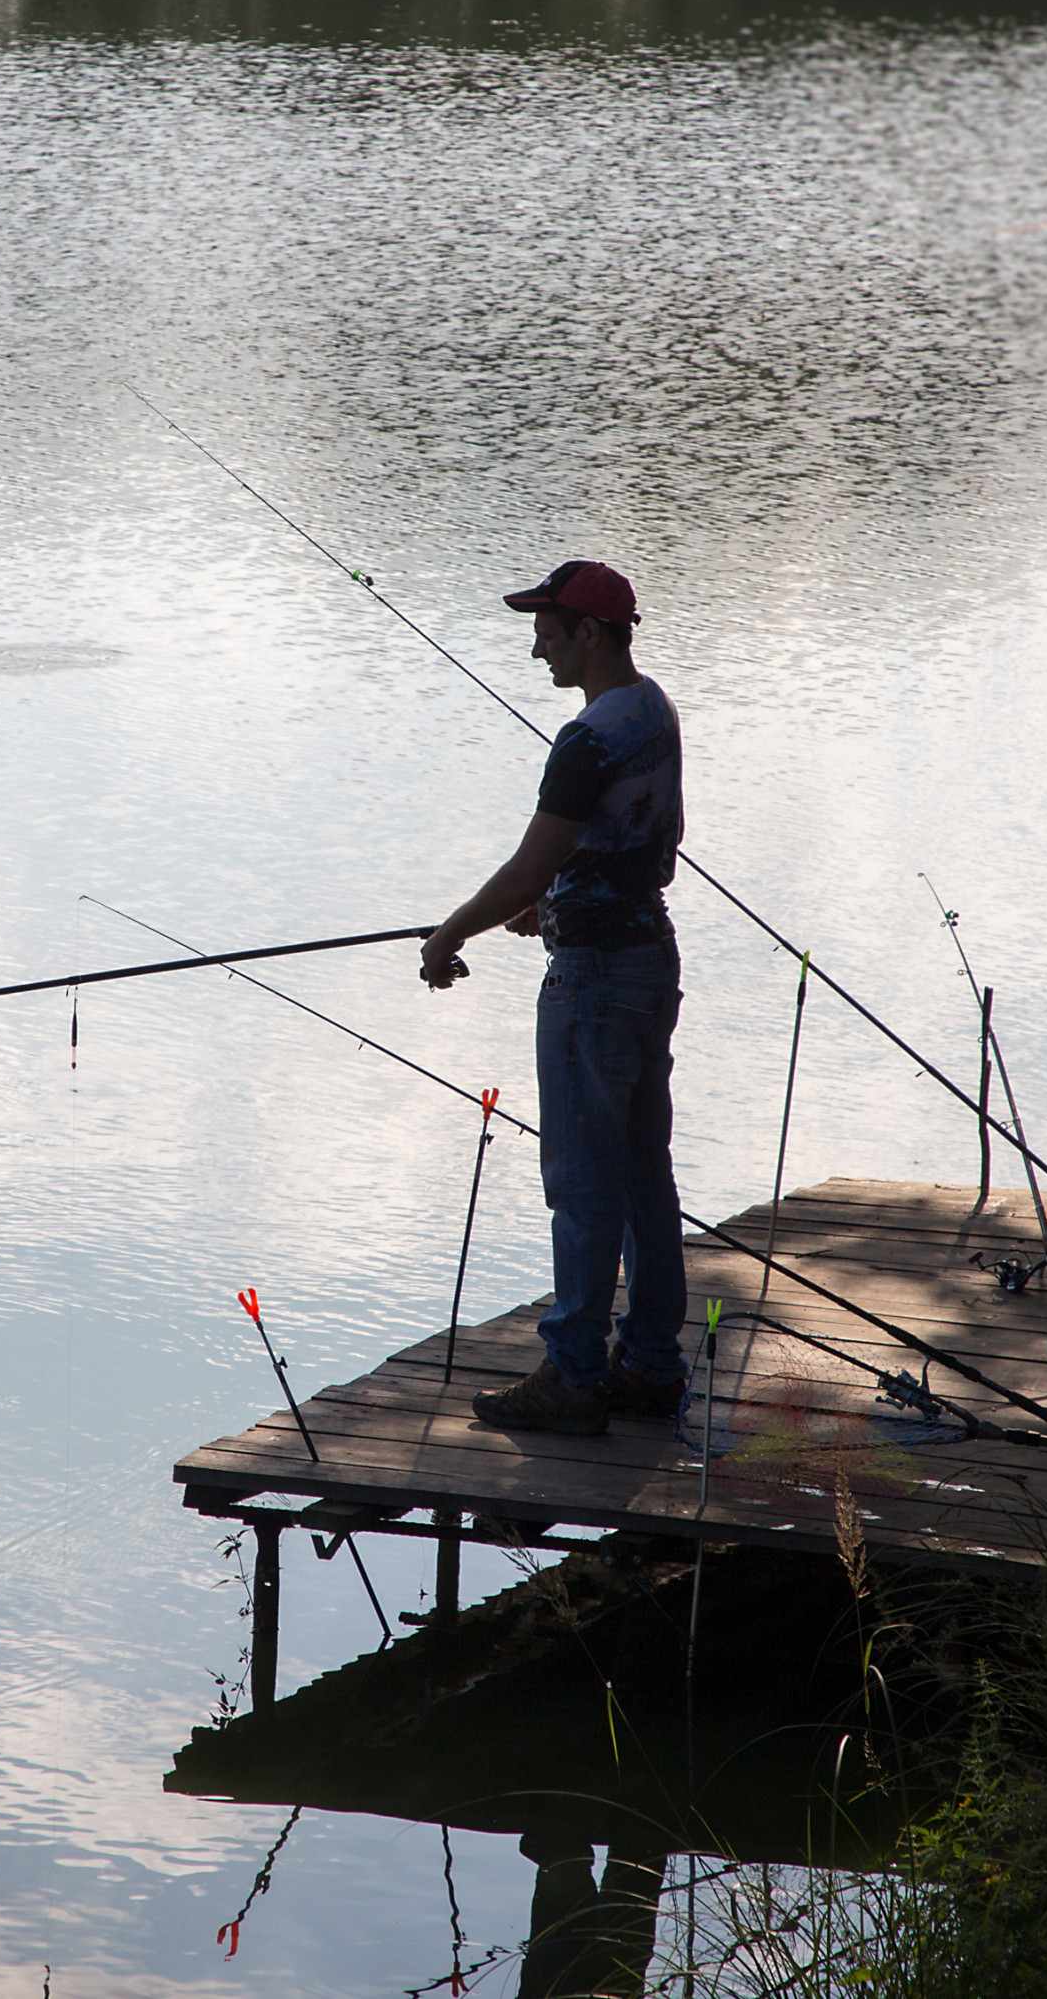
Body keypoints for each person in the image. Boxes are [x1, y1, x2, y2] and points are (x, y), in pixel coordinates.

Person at [420, 559, 688, 1438]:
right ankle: (649, 1364)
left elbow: (531, 864)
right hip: (650, 961)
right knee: (645, 1170)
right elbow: (647, 836)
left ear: (592, 632)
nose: (536, 644)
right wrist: (563, 894)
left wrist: (452, 931)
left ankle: (574, 1375)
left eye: (549, 627)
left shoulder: (585, 742)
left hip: (593, 984)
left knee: (580, 1182)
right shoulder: (653, 712)